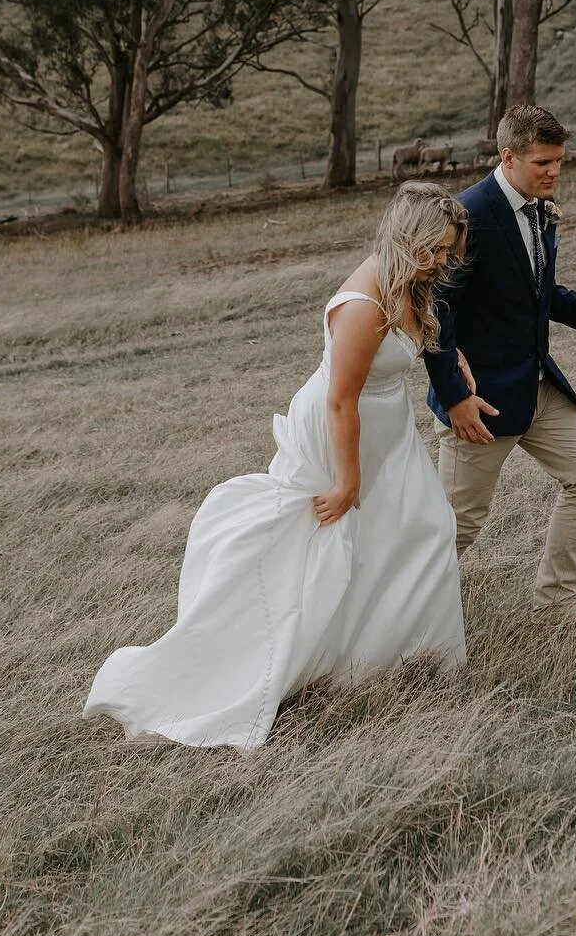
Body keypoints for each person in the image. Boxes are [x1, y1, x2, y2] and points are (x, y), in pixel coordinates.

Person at [84, 183, 471, 750]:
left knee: (419, 531)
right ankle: (291, 657)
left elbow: (419, 340)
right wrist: (347, 481)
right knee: (328, 546)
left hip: (386, 429)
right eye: (434, 249)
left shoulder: (407, 280)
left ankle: (400, 655)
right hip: (344, 430)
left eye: (448, 251)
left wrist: (451, 353)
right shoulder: (363, 308)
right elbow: (341, 400)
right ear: (406, 239)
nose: (441, 261)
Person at [423, 103, 576, 623]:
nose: (554, 172)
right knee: (458, 527)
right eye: (543, 162)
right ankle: (401, 623)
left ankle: (555, 607)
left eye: (559, 161)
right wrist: (455, 397)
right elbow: (437, 312)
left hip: (539, 385)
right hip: (480, 401)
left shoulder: (540, 207)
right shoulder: (467, 216)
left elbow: (538, 292)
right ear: (508, 156)